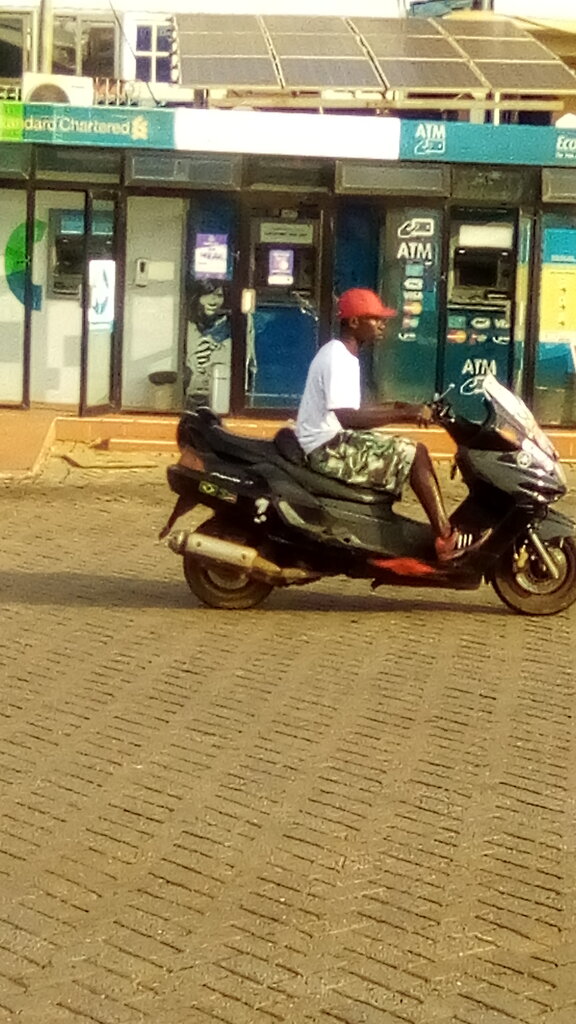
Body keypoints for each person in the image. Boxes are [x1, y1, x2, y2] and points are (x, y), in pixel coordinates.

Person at [295, 287, 477, 562]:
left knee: (407, 449)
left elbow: (354, 410)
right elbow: (348, 418)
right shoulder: (338, 358)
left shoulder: (343, 354)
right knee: (416, 453)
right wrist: (406, 414)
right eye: (375, 319)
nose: (382, 325)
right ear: (354, 322)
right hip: (326, 448)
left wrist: (403, 407)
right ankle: (445, 537)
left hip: (330, 440)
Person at [185, 279, 231, 409]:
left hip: (221, 394)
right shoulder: (185, 326)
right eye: (207, 294)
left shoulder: (232, 326)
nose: (213, 300)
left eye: (219, 295)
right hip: (190, 394)